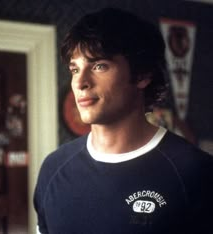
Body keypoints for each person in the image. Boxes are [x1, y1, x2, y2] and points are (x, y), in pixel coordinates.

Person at [34, 7, 213, 234]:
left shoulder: (197, 172)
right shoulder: (53, 168)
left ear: (142, 75)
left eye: (99, 66)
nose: (80, 82)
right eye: (74, 69)